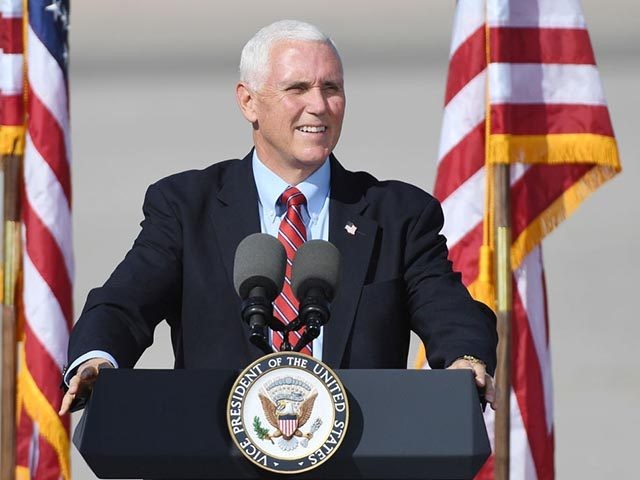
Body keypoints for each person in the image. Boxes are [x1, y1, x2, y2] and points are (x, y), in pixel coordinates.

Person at [59, 20, 498, 416]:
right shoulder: (186, 206)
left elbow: (450, 311)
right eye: (298, 89)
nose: (320, 105)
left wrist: (467, 360)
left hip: (359, 457)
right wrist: (99, 358)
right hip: (215, 455)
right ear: (248, 102)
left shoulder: (399, 214)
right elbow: (123, 304)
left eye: (331, 88)